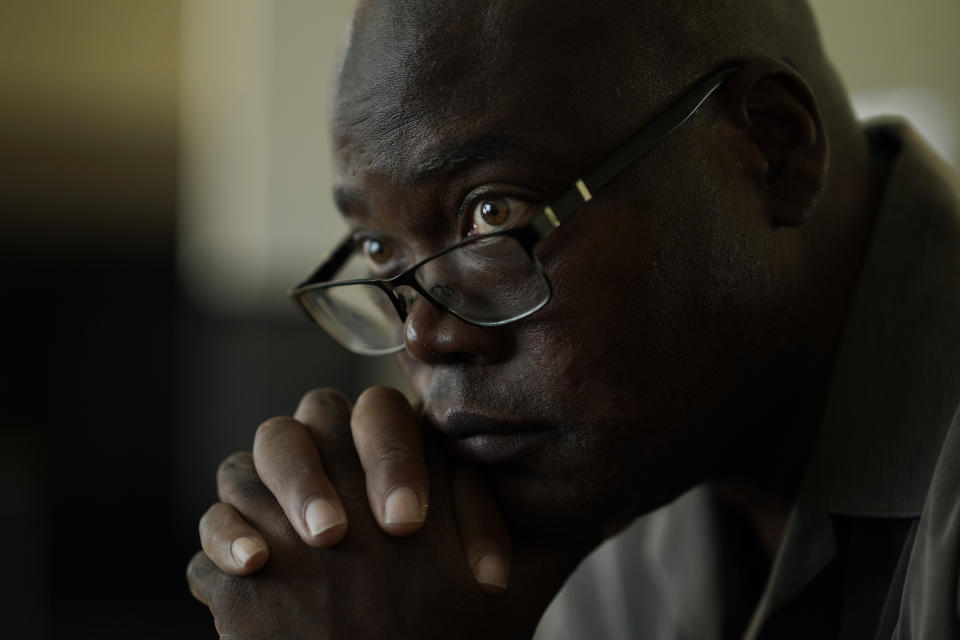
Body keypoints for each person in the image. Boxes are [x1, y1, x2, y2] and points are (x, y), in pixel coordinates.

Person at [185, 0, 960, 638]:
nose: (425, 336)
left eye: (493, 212)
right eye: (377, 248)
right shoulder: (582, 508)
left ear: (771, 150)